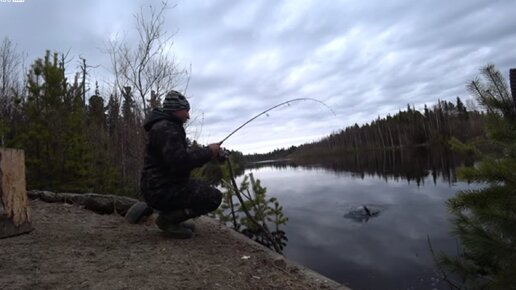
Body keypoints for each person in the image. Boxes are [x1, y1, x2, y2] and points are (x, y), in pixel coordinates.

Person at [140, 90, 223, 239]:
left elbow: (178, 157)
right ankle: (168, 220)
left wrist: (209, 154)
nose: (188, 116)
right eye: (186, 111)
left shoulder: (165, 127)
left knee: (199, 188)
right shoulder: (166, 129)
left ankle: (172, 217)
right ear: (176, 110)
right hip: (161, 190)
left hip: (159, 187)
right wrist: (208, 152)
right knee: (213, 197)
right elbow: (180, 163)